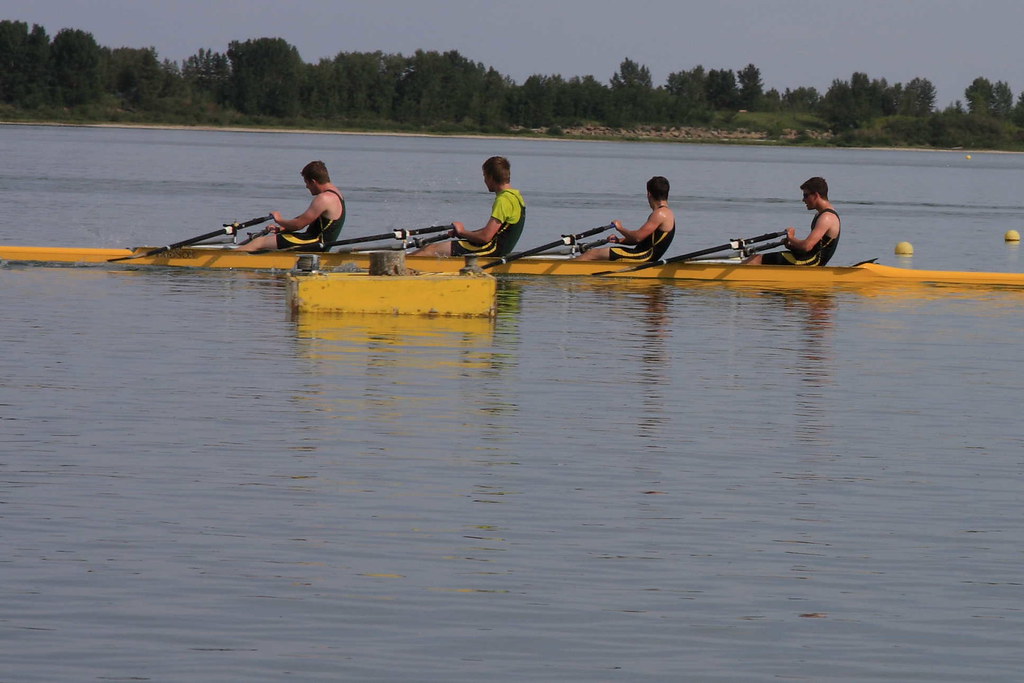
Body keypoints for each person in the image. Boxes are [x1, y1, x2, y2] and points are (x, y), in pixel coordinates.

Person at [412, 156, 525, 258]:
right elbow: (495, 232)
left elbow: (485, 237)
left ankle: (402, 267)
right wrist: (463, 233)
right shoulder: (516, 196)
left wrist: (462, 232)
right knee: (429, 248)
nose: (484, 181)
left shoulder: (503, 200)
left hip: (490, 250)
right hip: (495, 248)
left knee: (429, 250)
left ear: (490, 177)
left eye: (484, 176)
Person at [237, 160, 345, 252]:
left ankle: (230, 260)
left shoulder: (324, 198)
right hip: (316, 241)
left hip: (314, 242)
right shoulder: (337, 194)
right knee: (269, 243)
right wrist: (281, 228)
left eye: (306, 182)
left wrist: (279, 219)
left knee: (259, 242)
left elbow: (298, 225)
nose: (306, 187)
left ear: (313, 182)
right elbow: (306, 218)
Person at [744, 177, 840, 266]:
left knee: (756, 259)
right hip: (807, 258)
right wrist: (792, 245)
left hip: (812, 262)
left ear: (816, 195)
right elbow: (812, 248)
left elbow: (807, 246)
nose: (803, 199)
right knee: (755, 257)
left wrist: (791, 238)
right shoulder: (821, 215)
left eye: (805, 195)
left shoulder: (827, 218)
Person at [577, 176, 675, 261]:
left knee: (592, 253)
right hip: (641, 254)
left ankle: (568, 270)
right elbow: (641, 240)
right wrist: (618, 240)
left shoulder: (660, 214)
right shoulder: (665, 213)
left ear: (649, 194)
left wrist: (620, 228)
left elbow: (637, 238)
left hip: (643, 256)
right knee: (597, 257)